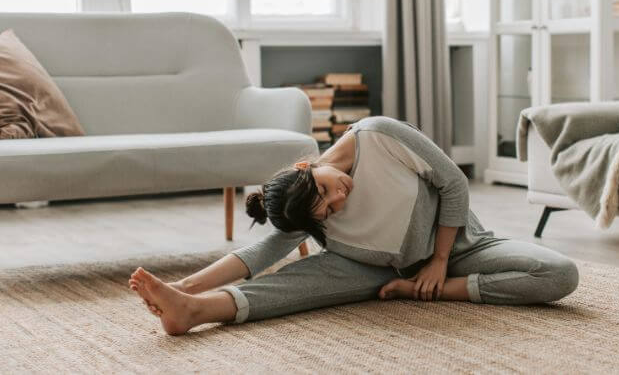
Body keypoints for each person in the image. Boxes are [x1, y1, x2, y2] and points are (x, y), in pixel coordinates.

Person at [129, 116, 579, 335]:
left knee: (560, 274)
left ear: (307, 164)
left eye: (325, 190)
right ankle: (194, 311)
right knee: (290, 286)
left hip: (458, 248)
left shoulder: (379, 135)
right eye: (328, 212)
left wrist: (439, 263)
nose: (338, 198)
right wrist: (186, 284)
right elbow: (261, 253)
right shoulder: (303, 212)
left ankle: (429, 290)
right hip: (366, 268)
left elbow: (455, 184)